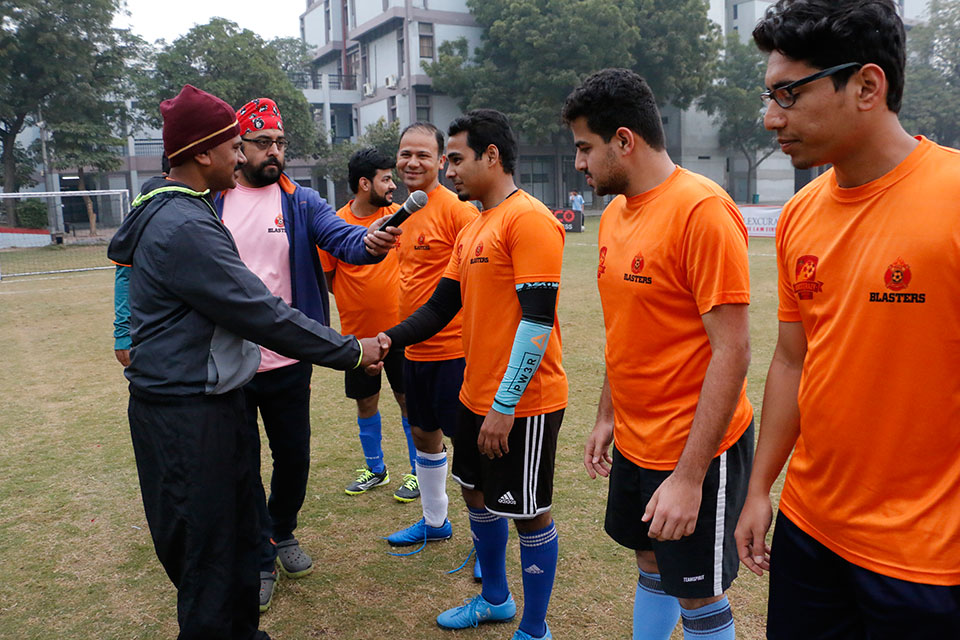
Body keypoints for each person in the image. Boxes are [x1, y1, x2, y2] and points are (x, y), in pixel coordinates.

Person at [106, 85, 395, 640]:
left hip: (214, 396)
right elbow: (259, 312)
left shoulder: (203, 207)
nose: (244, 157)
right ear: (202, 153)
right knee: (208, 558)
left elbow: (341, 241)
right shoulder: (187, 223)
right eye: (237, 146)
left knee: (237, 531)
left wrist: (370, 240)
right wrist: (352, 349)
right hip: (188, 408)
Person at [735, 1, 960, 637]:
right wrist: (759, 489)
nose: (770, 116)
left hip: (928, 558)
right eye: (768, 94)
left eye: (789, 94)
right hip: (811, 532)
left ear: (866, 86)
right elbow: (792, 358)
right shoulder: (800, 214)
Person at [564, 68, 753, 640]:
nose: (579, 163)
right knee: (649, 564)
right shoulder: (616, 213)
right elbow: (627, 330)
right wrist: (606, 414)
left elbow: (734, 352)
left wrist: (691, 478)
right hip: (637, 440)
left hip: (696, 448)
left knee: (697, 596)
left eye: (585, 148)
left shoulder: (702, 211)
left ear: (624, 140)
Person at [377, 109, 567, 640]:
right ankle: (495, 599)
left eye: (456, 159)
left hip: (524, 402)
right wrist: (388, 339)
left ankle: (534, 629)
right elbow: (440, 308)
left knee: (528, 514)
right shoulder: (477, 222)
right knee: (474, 494)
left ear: (492, 156)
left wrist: (504, 406)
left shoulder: (527, 220)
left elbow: (538, 320)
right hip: (474, 391)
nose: (449, 169)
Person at [383, 123, 479, 557]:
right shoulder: (404, 211)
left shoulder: (460, 211)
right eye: (405, 154)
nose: (412, 162)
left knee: (472, 450)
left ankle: (486, 543)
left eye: (423, 155)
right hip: (413, 349)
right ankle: (435, 520)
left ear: (440, 160)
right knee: (423, 433)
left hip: (456, 351)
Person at [318, 147, 419, 502]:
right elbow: (330, 280)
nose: (393, 185)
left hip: (401, 333)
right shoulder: (334, 225)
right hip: (358, 340)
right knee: (366, 403)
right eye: (386, 178)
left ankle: (417, 471)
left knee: (409, 402)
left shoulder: (400, 218)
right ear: (365, 183)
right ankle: (375, 469)